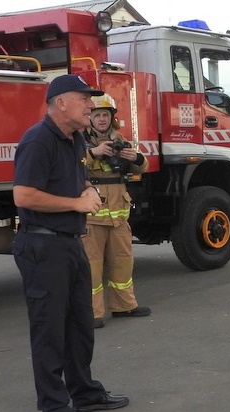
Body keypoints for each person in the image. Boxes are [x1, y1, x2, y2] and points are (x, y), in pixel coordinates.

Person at [11, 75, 130, 412]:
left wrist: (88, 190)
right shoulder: (37, 140)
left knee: (79, 323)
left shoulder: (75, 139)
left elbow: (77, 179)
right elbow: (24, 196)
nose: (90, 106)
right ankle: (54, 408)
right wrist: (77, 202)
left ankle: (84, 392)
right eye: (84, 99)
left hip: (69, 241)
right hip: (42, 245)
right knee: (49, 329)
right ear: (61, 102)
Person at [83, 93, 151, 328]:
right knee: (91, 266)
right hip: (93, 214)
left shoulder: (120, 139)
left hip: (119, 213)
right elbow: (71, 164)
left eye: (105, 115)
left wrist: (136, 156)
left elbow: (143, 167)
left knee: (123, 261)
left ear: (111, 118)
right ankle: (92, 314)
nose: (101, 119)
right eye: (97, 115)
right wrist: (95, 152)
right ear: (89, 118)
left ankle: (124, 306)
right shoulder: (79, 141)